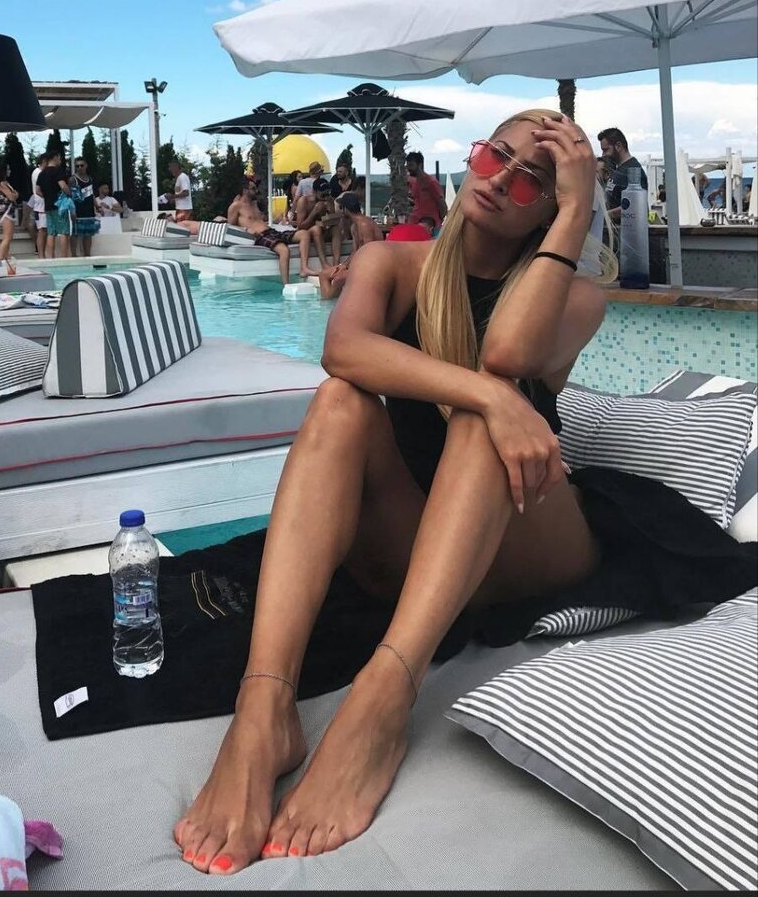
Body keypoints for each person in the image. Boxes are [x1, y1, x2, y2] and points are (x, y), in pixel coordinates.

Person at [173, 108, 756, 876]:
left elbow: (505, 354)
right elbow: (341, 350)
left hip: (528, 538)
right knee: (344, 402)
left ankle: (385, 698)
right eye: (493, 156)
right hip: (416, 537)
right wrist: (490, 397)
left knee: (489, 414)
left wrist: (576, 214)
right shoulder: (390, 264)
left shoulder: (576, 297)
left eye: (534, 182)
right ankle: (265, 706)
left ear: (554, 211)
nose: (501, 181)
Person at [317, 191, 384, 300]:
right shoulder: (354, 226)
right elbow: (355, 250)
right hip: (361, 263)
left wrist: (350, 268)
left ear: (346, 209)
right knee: (323, 275)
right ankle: (328, 303)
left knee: (338, 279)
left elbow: (369, 252)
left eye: (341, 207)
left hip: (372, 266)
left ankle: (329, 303)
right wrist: (344, 265)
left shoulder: (364, 224)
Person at [596, 128, 648, 222]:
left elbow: (636, 206)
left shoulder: (633, 170)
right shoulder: (619, 169)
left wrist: (604, 216)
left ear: (618, 146)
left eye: (606, 150)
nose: (603, 154)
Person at [37, 152, 72, 258]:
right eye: (59, 158)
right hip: (60, 205)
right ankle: (64, 257)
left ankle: (51, 257)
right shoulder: (58, 171)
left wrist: (47, 196)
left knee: (51, 232)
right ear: (55, 157)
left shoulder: (42, 173)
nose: (60, 160)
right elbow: (63, 185)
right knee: (64, 231)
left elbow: (37, 190)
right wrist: (69, 193)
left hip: (48, 205)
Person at [406, 152, 447, 226]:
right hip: (414, 223)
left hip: (429, 224)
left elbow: (442, 203)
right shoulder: (414, 182)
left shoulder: (431, 182)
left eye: (411, 165)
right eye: (407, 166)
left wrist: (438, 220)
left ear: (420, 165)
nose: (409, 169)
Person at [70, 158, 99, 257]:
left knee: (88, 233)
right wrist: (72, 211)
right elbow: (71, 197)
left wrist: (96, 205)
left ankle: (87, 254)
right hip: (78, 209)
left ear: (86, 166)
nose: (79, 167)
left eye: (81, 165)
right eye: (77, 166)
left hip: (89, 209)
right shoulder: (73, 179)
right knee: (75, 233)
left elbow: (91, 194)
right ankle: (74, 255)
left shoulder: (90, 179)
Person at [0, 168, 23, 262]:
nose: (9, 171)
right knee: (7, 237)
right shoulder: (2, 184)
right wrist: (14, 195)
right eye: (8, 169)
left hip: (11, 210)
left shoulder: (6, 183)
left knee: (9, 237)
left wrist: (14, 195)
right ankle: (0, 257)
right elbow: (11, 197)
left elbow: (15, 194)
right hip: (6, 211)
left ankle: (6, 256)